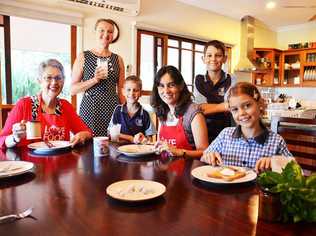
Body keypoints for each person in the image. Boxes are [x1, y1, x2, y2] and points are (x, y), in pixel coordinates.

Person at [0, 59, 93, 149]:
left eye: (58, 78)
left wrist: (83, 135)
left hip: (61, 162)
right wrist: (15, 137)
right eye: (49, 78)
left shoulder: (65, 106)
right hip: (31, 163)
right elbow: (2, 140)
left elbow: (87, 132)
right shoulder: (24, 105)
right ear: (39, 81)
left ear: (63, 81)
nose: (54, 82)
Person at [201, 82, 292, 172]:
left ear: (259, 104)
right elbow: (204, 157)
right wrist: (209, 156)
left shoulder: (276, 141)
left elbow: (295, 170)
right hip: (227, 186)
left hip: (259, 187)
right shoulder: (225, 135)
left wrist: (274, 163)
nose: (241, 113)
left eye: (247, 105)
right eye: (235, 109)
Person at [71, 18, 125, 136]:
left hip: (112, 108)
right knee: (89, 145)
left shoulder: (118, 59)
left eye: (110, 31)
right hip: (90, 108)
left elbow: (122, 91)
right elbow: (73, 89)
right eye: (102, 30)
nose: (106, 34)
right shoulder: (83, 56)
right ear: (95, 32)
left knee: (113, 144)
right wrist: (94, 80)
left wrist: (126, 113)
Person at [151, 65, 209, 159]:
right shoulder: (163, 112)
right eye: (161, 86)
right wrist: (147, 143)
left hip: (188, 171)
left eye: (171, 85)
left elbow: (205, 152)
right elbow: (161, 146)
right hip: (166, 170)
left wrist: (180, 152)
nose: (166, 91)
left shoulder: (194, 113)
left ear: (181, 86)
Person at [194, 40, 234, 143]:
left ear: (224, 59)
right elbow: (199, 109)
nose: (213, 59)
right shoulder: (199, 80)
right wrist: (225, 106)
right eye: (209, 55)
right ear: (203, 59)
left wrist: (210, 107)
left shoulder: (232, 79)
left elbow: (234, 105)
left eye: (218, 55)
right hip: (203, 133)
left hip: (228, 134)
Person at [107, 75, 156, 143]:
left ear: (141, 93)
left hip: (138, 151)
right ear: (123, 91)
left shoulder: (145, 114)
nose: (132, 93)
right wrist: (130, 138)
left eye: (135, 90)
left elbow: (149, 140)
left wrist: (144, 139)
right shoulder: (118, 110)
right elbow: (111, 133)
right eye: (128, 90)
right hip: (119, 149)